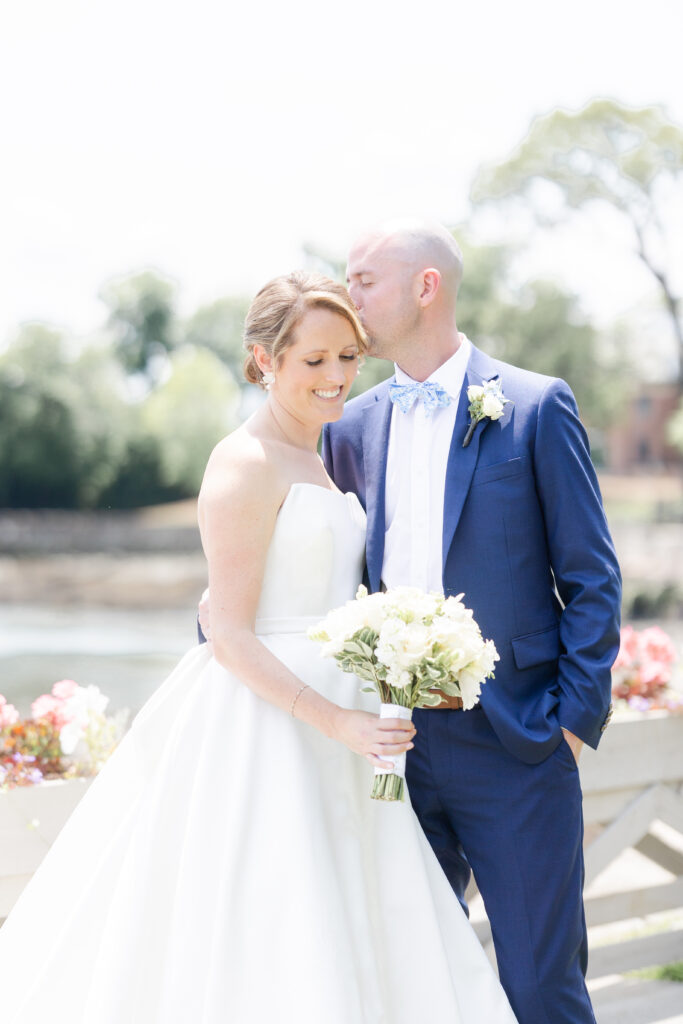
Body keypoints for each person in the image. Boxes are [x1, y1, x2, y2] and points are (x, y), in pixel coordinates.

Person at [0, 270, 517, 1024]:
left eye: (348, 356)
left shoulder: (319, 457)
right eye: (313, 361)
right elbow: (230, 634)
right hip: (267, 726)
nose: (336, 377)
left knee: (361, 917)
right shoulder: (242, 462)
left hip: (349, 728)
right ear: (262, 361)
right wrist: (334, 720)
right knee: (271, 919)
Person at [201, 222, 622, 1023]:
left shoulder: (533, 407)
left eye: (363, 279)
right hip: (380, 751)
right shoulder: (348, 425)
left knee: (538, 984)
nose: (348, 294)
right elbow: (300, 563)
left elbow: (591, 580)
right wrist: (222, 645)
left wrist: (570, 723)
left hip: (515, 746)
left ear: (424, 286)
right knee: (404, 982)